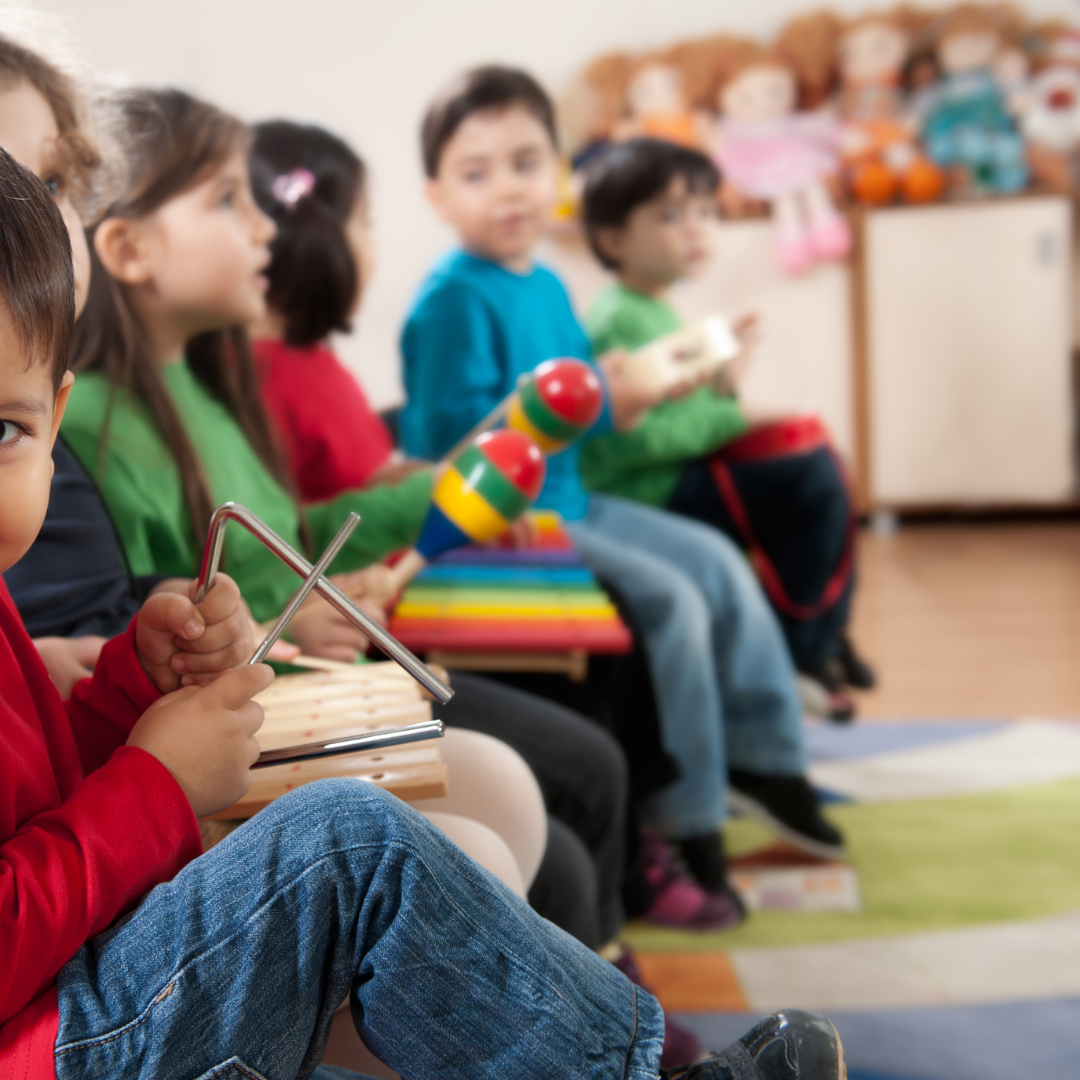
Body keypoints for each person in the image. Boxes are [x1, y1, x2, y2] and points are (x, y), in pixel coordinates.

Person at [0, 142, 847, 1080]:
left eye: (3, 430)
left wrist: (130, 696)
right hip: (56, 1039)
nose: (267, 229)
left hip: (76, 987)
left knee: (479, 796)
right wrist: (156, 781)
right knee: (349, 841)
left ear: (54, 416)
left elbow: (32, 801)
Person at [0, 26, 549, 906]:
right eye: (230, 200)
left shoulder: (199, 398)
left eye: (58, 185)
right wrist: (232, 681)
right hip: (123, 878)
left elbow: (64, 741)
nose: (269, 229)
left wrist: (148, 667)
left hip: (154, 778)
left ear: (49, 411)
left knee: (508, 798)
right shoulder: (99, 425)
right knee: (489, 826)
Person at [246, 116, 735, 937]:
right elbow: (307, 521)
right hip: (383, 612)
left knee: (616, 640)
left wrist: (414, 478)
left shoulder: (318, 363)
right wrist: (446, 476)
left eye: (525, 162)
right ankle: (632, 877)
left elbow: (362, 474)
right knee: (607, 662)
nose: (374, 241)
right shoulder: (277, 372)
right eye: (367, 222)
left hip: (402, 580)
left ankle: (647, 842)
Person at [400, 66, 844, 897]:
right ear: (437, 195)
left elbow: (588, 405)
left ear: (560, 173)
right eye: (476, 171)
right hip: (516, 522)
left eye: (528, 162)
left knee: (715, 560)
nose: (508, 188)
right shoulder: (452, 301)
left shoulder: (549, 282)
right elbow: (451, 447)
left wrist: (647, 386)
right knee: (673, 599)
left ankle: (766, 759)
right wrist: (602, 395)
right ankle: (689, 813)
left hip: (574, 500)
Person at [577, 137, 875, 711]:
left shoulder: (656, 307)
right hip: (646, 490)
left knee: (821, 467)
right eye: (671, 215)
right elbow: (635, 441)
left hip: (675, 475)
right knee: (812, 479)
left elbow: (683, 411)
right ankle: (804, 646)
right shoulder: (618, 318)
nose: (696, 229)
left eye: (706, 212)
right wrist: (736, 413)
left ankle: (821, 635)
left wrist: (725, 380)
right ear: (614, 238)